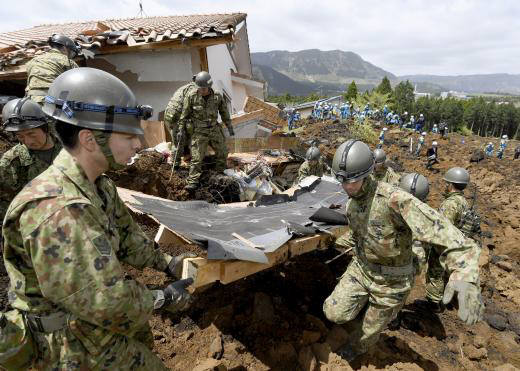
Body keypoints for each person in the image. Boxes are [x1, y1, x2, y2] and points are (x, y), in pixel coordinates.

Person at [2, 67, 195, 369]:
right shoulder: (58, 209)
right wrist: (162, 299)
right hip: (67, 345)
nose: (139, 144)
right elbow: (104, 301)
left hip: (91, 324)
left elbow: (129, 239)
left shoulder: (98, 185)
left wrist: (167, 264)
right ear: (90, 140)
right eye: (128, 134)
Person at [323, 140, 483, 360]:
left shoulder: (394, 199)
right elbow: (360, 232)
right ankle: (362, 313)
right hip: (361, 270)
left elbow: (447, 233)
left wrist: (466, 275)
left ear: (368, 173)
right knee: (333, 312)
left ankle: (357, 347)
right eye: (342, 181)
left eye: (353, 180)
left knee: (367, 333)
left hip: (391, 281)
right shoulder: (352, 200)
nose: (347, 187)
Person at [424, 167, 481, 311]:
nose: (445, 185)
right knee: (445, 273)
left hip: (445, 245)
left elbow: (442, 227)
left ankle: (434, 303)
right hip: (456, 243)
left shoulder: (450, 204)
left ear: (450, 185)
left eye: (446, 183)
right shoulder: (463, 201)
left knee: (435, 272)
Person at [0, 98, 62, 223]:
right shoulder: (11, 163)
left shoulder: (70, 152)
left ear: (46, 128)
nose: (28, 141)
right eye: (20, 136)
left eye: (32, 134)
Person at [178, 71, 234, 191]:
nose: (202, 90)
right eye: (200, 88)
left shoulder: (217, 96)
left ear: (209, 86)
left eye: (204, 88)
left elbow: (224, 112)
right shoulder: (191, 96)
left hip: (214, 128)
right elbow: (184, 114)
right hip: (199, 131)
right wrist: (180, 130)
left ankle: (219, 174)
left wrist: (229, 126)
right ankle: (193, 181)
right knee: (197, 158)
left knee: (222, 152)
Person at [25, 34, 80, 106]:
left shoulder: (33, 61)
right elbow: (79, 85)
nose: (70, 57)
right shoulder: (68, 61)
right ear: (64, 48)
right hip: (52, 103)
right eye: (71, 53)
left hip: (30, 103)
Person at [164, 81, 198, 167]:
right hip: (177, 116)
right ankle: (175, 165)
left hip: (170, 115)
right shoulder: (194, 89)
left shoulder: (186, 87)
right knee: (179, 141)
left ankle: (179, 159)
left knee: (179, 139)